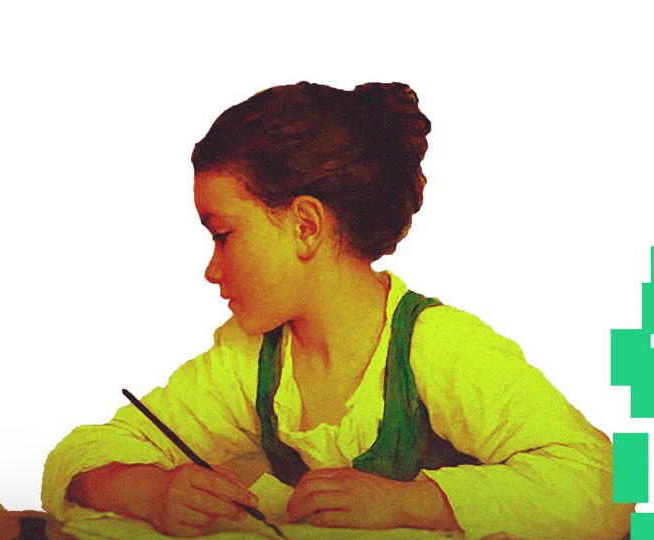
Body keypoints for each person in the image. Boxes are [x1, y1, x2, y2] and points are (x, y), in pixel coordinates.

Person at [41, 82, 632, 538]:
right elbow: (83, 453)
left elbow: (611, 485)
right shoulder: (250, 360)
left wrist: (414, 502)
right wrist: (150, 491)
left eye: (223, 235)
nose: (212, 269)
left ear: (305, 226)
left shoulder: (435, 345)